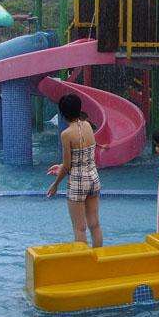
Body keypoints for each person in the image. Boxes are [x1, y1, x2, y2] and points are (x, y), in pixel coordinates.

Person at [46, 93, 103, 248]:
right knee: (94, 224)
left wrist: (55, 184)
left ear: (62, 113)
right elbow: (82, 156)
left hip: (78, 183)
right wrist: (61, 167)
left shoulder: (66, 134)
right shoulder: (87, 126)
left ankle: (83, 260)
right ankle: (99, 256)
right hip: (93, 178)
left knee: (79, 228)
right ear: (79, 109)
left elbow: (67, 165)